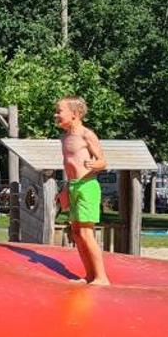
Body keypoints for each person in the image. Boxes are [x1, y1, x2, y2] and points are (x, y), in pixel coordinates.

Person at [55, 97, 110, 286]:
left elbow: (103, 161)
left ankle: (102, 277)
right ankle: (89, 275)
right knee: (77, 233)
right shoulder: (64, 138)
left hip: (87, 186)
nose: (56, 115)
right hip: (73, 186)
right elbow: (68, 164)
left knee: (86, 232)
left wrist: (96, 164)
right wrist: (65, 188)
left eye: (59, 111)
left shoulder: (87, 135)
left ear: (75, 114)